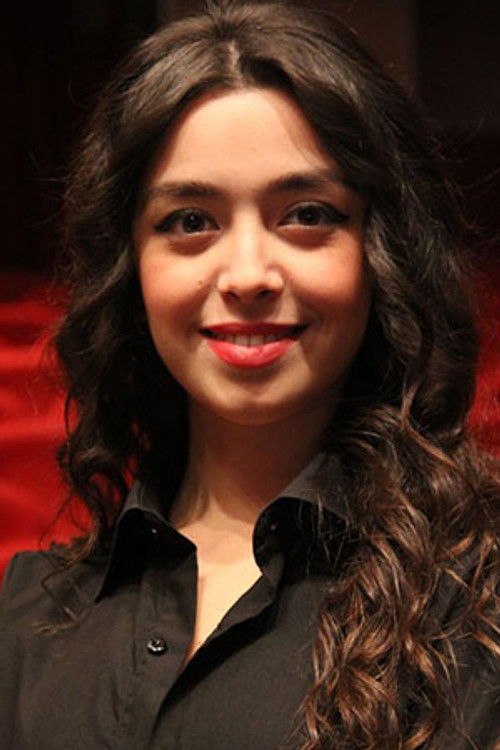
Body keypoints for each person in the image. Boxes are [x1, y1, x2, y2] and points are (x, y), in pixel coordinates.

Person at [1, 2, 498, 749]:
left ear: (382, 252)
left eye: (307, 214)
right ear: (129, 268)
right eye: (189, 221)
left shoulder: (480, 601)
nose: (247, 275)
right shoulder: (27, 616)